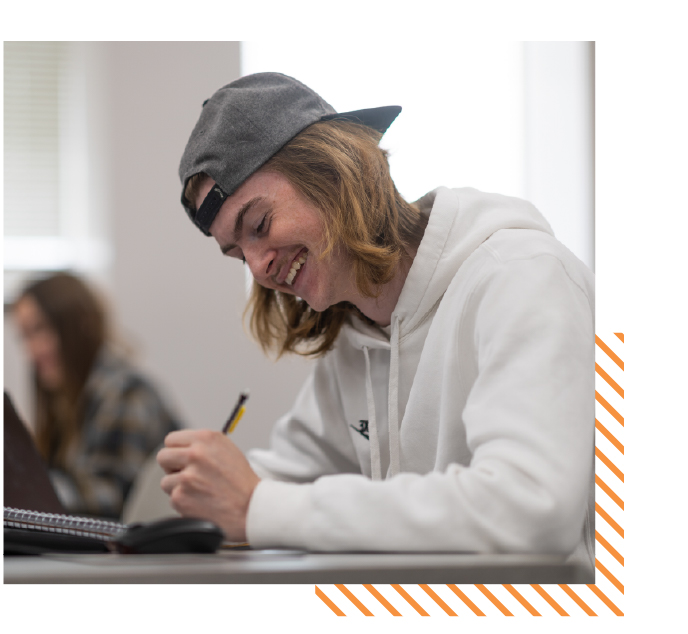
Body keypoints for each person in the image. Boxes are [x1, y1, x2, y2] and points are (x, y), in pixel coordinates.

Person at [157, 72, 594, 568]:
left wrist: (258, 508)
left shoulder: (521, 278)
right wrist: (198, 506)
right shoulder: (357, 335)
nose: (258, 268)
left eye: (259, 225)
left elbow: (532, 509)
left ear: (332, 172)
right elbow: (281, 477)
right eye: (239, 255)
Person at [12, 272, 182, 519]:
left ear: (78, 324)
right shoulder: (67, 402)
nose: (31, 350)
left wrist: (24, 487)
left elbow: (108, 500)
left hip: (156, 553)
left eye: (40, 330)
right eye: (24, 336)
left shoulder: (125, 392)